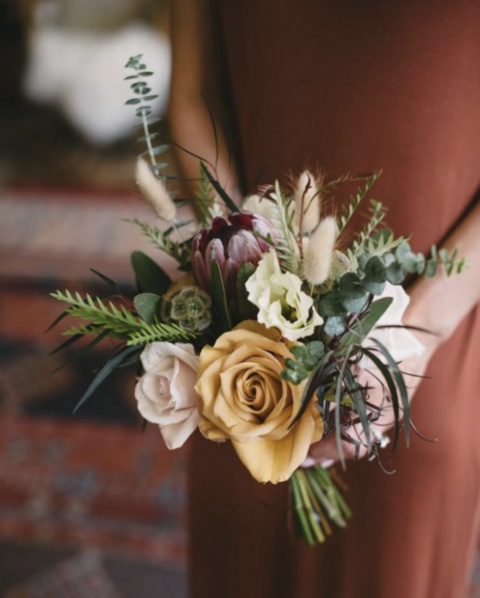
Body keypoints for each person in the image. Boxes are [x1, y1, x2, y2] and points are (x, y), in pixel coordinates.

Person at [168, 2, 480, 596]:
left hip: (433, 317)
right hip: (245, 332)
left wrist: (418, 333)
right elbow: (193, 92)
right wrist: (238, 265)